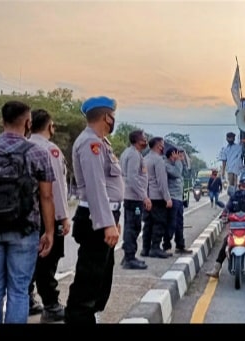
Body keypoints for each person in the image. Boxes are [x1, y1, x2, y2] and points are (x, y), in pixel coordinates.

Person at [0, 101, 55, 324]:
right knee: (19, 290)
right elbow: (47, 197)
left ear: (2, 121)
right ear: (29, 123)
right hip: (24, 229)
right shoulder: (38, 152)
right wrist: (49, 232)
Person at [65, 96, 123, 324]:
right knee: (89, 276)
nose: (113, 120)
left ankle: (89, 316)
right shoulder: (91, 144)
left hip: (104, 216)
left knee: (101, 274)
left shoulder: (101, 142)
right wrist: (107, 223)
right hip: (94, 219)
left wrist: (113, 219)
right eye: (112, 116)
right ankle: (79, 318)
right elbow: (96, 186)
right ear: (106, 116)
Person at [27, 109, 71, 322]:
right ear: (49, 125)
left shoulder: (24, 146)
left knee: (29, 260)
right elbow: (56, 189)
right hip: (47, 216)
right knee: (48, 260)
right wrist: (62, 217)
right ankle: (51, 305)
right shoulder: (50, 150)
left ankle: (26, 300)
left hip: (25, 217)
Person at [206, 179, 245, 281]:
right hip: (234, 229)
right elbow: (227, 208)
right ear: (239, 187)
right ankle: (216, 270)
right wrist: (224, 214)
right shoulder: (233, 198)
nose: (244, 188)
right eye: (242, 186)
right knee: (224, 244)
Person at [119, 130, 150, 270]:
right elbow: (133, 178)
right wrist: (144, 196)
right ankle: (129, 258)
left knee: (130, 226)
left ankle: (128, 256)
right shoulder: (133, 155)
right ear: (138, 140)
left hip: (131, 197)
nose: (146, 141)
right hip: (134, 198)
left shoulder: (131, 153)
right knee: (133, 226)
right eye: (144, 138)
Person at [141, 137, 172, 259]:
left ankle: (145, 248)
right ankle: (155, 248)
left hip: (147, 196)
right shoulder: (158, 160)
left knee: (148, 223)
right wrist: (167, 198)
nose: (164, 147)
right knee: (159, 223)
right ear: (159, 146)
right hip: (157, 197)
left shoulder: (144, 159)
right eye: (163, 145)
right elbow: (162, 182)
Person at [163, 148, 192, 255]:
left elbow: (184, 173)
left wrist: (182, 161)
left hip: (179, 198)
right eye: (177, 154)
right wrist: (178, 161)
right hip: (172, 198)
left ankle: (180, 245)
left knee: (179, 223)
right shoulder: (166, 164)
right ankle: (166, 246)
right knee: (171, 223)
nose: (179, 157)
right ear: (172, 155)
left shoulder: (176, 164)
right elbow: (176, 173)